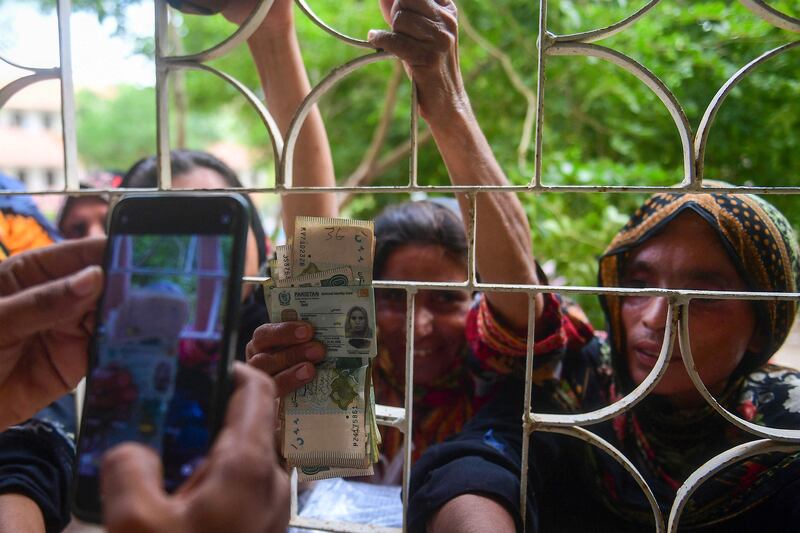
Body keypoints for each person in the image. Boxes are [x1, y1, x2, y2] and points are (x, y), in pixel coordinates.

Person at [245, 0, 543, 486]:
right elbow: (314, 235)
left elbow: (521, 295)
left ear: (478, 301)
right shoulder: (344, 369)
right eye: (392, 297)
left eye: (447, 299)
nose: (419, 325)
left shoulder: (499, 376)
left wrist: (445, 91)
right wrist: (268, 28)